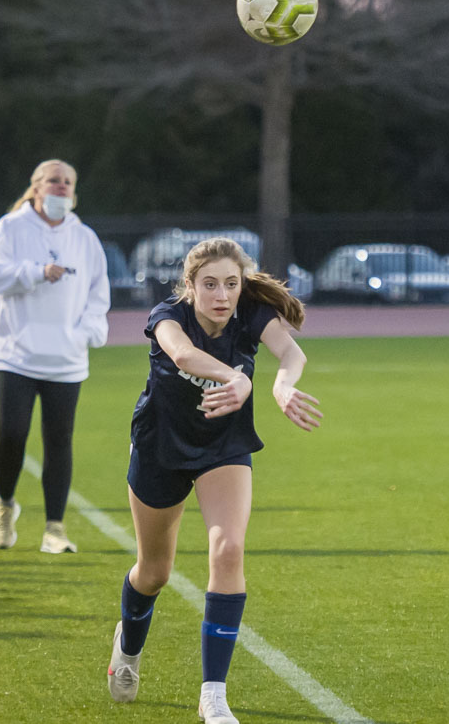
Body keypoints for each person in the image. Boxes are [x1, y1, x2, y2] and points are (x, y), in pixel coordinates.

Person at [106, 237, 322, 724]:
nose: (222, 295)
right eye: (210, 285)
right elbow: (182, 356)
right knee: (154, 572)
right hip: (161, 448)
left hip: (223, 448)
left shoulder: (249, 313)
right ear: (190, 287)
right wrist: (238, 378)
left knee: (228, 550)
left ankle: (213, 695)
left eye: (231, 283)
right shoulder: (168, 315)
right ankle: (129, 646)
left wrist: (281, 384)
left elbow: (291, 354)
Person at [0, 158, 110, 554]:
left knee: (58, 440)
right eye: (53, 180)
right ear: (35, 188)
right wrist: (34, 271)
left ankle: (55, 527)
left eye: (68, 181)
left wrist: (85, 333)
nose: (61, 187)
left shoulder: (85, 238)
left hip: (66, 359)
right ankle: (5, 504)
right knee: (12, 434)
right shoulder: (11, 228)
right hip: (14, 354)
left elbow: (99, 296)